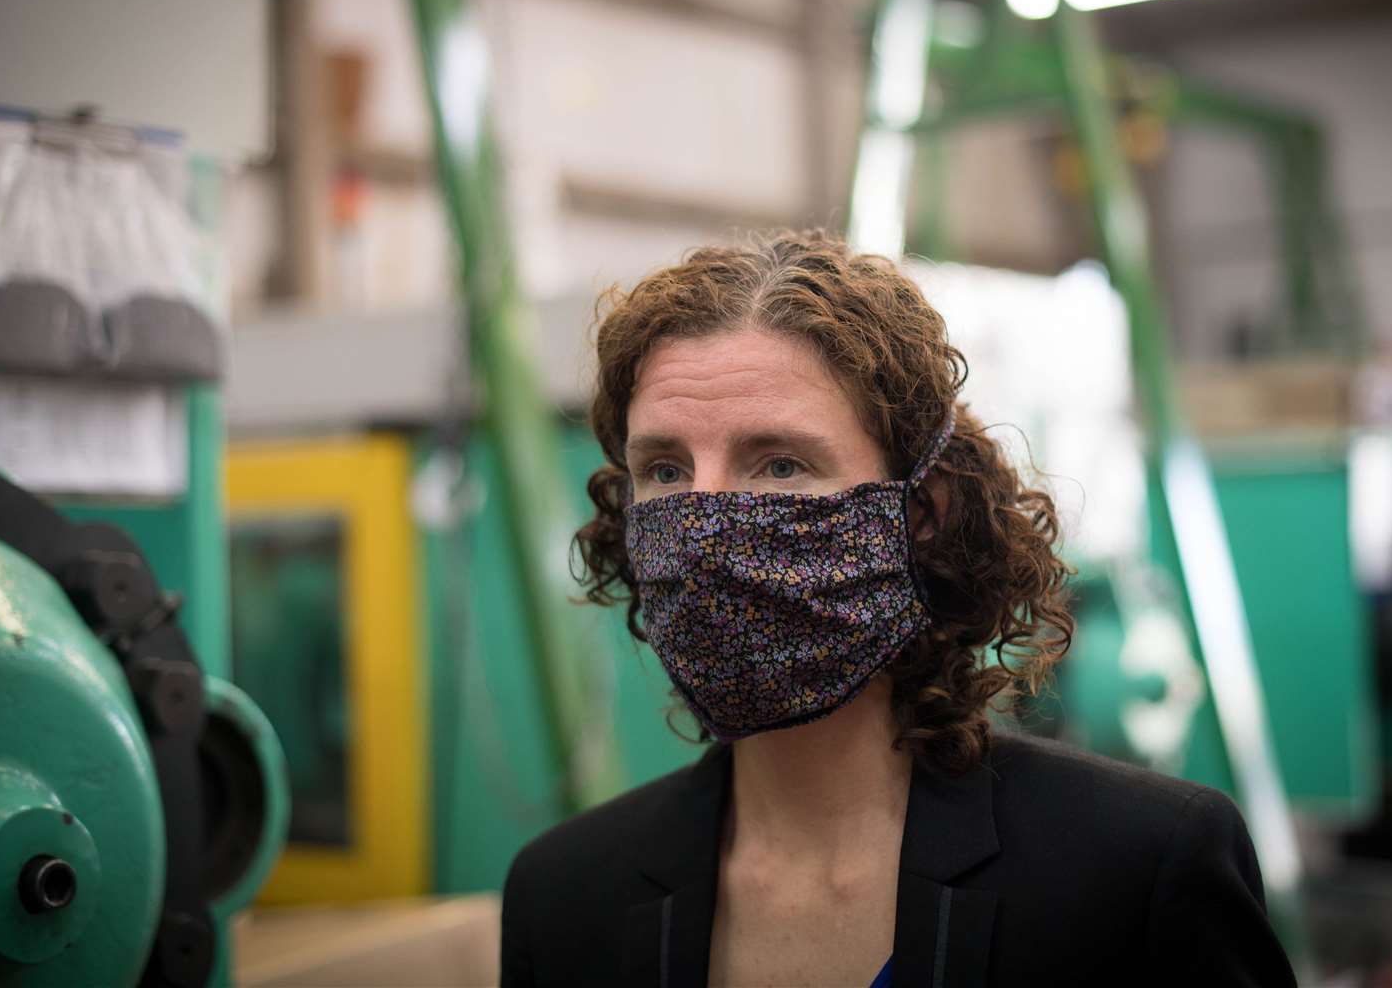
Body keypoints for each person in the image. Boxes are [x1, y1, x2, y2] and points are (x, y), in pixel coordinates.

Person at [500, 232, 1295, 987]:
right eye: (665, 470)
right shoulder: (565, 897)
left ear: (921, 513)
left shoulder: (1138, 869)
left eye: (779, 464)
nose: (704, 523)